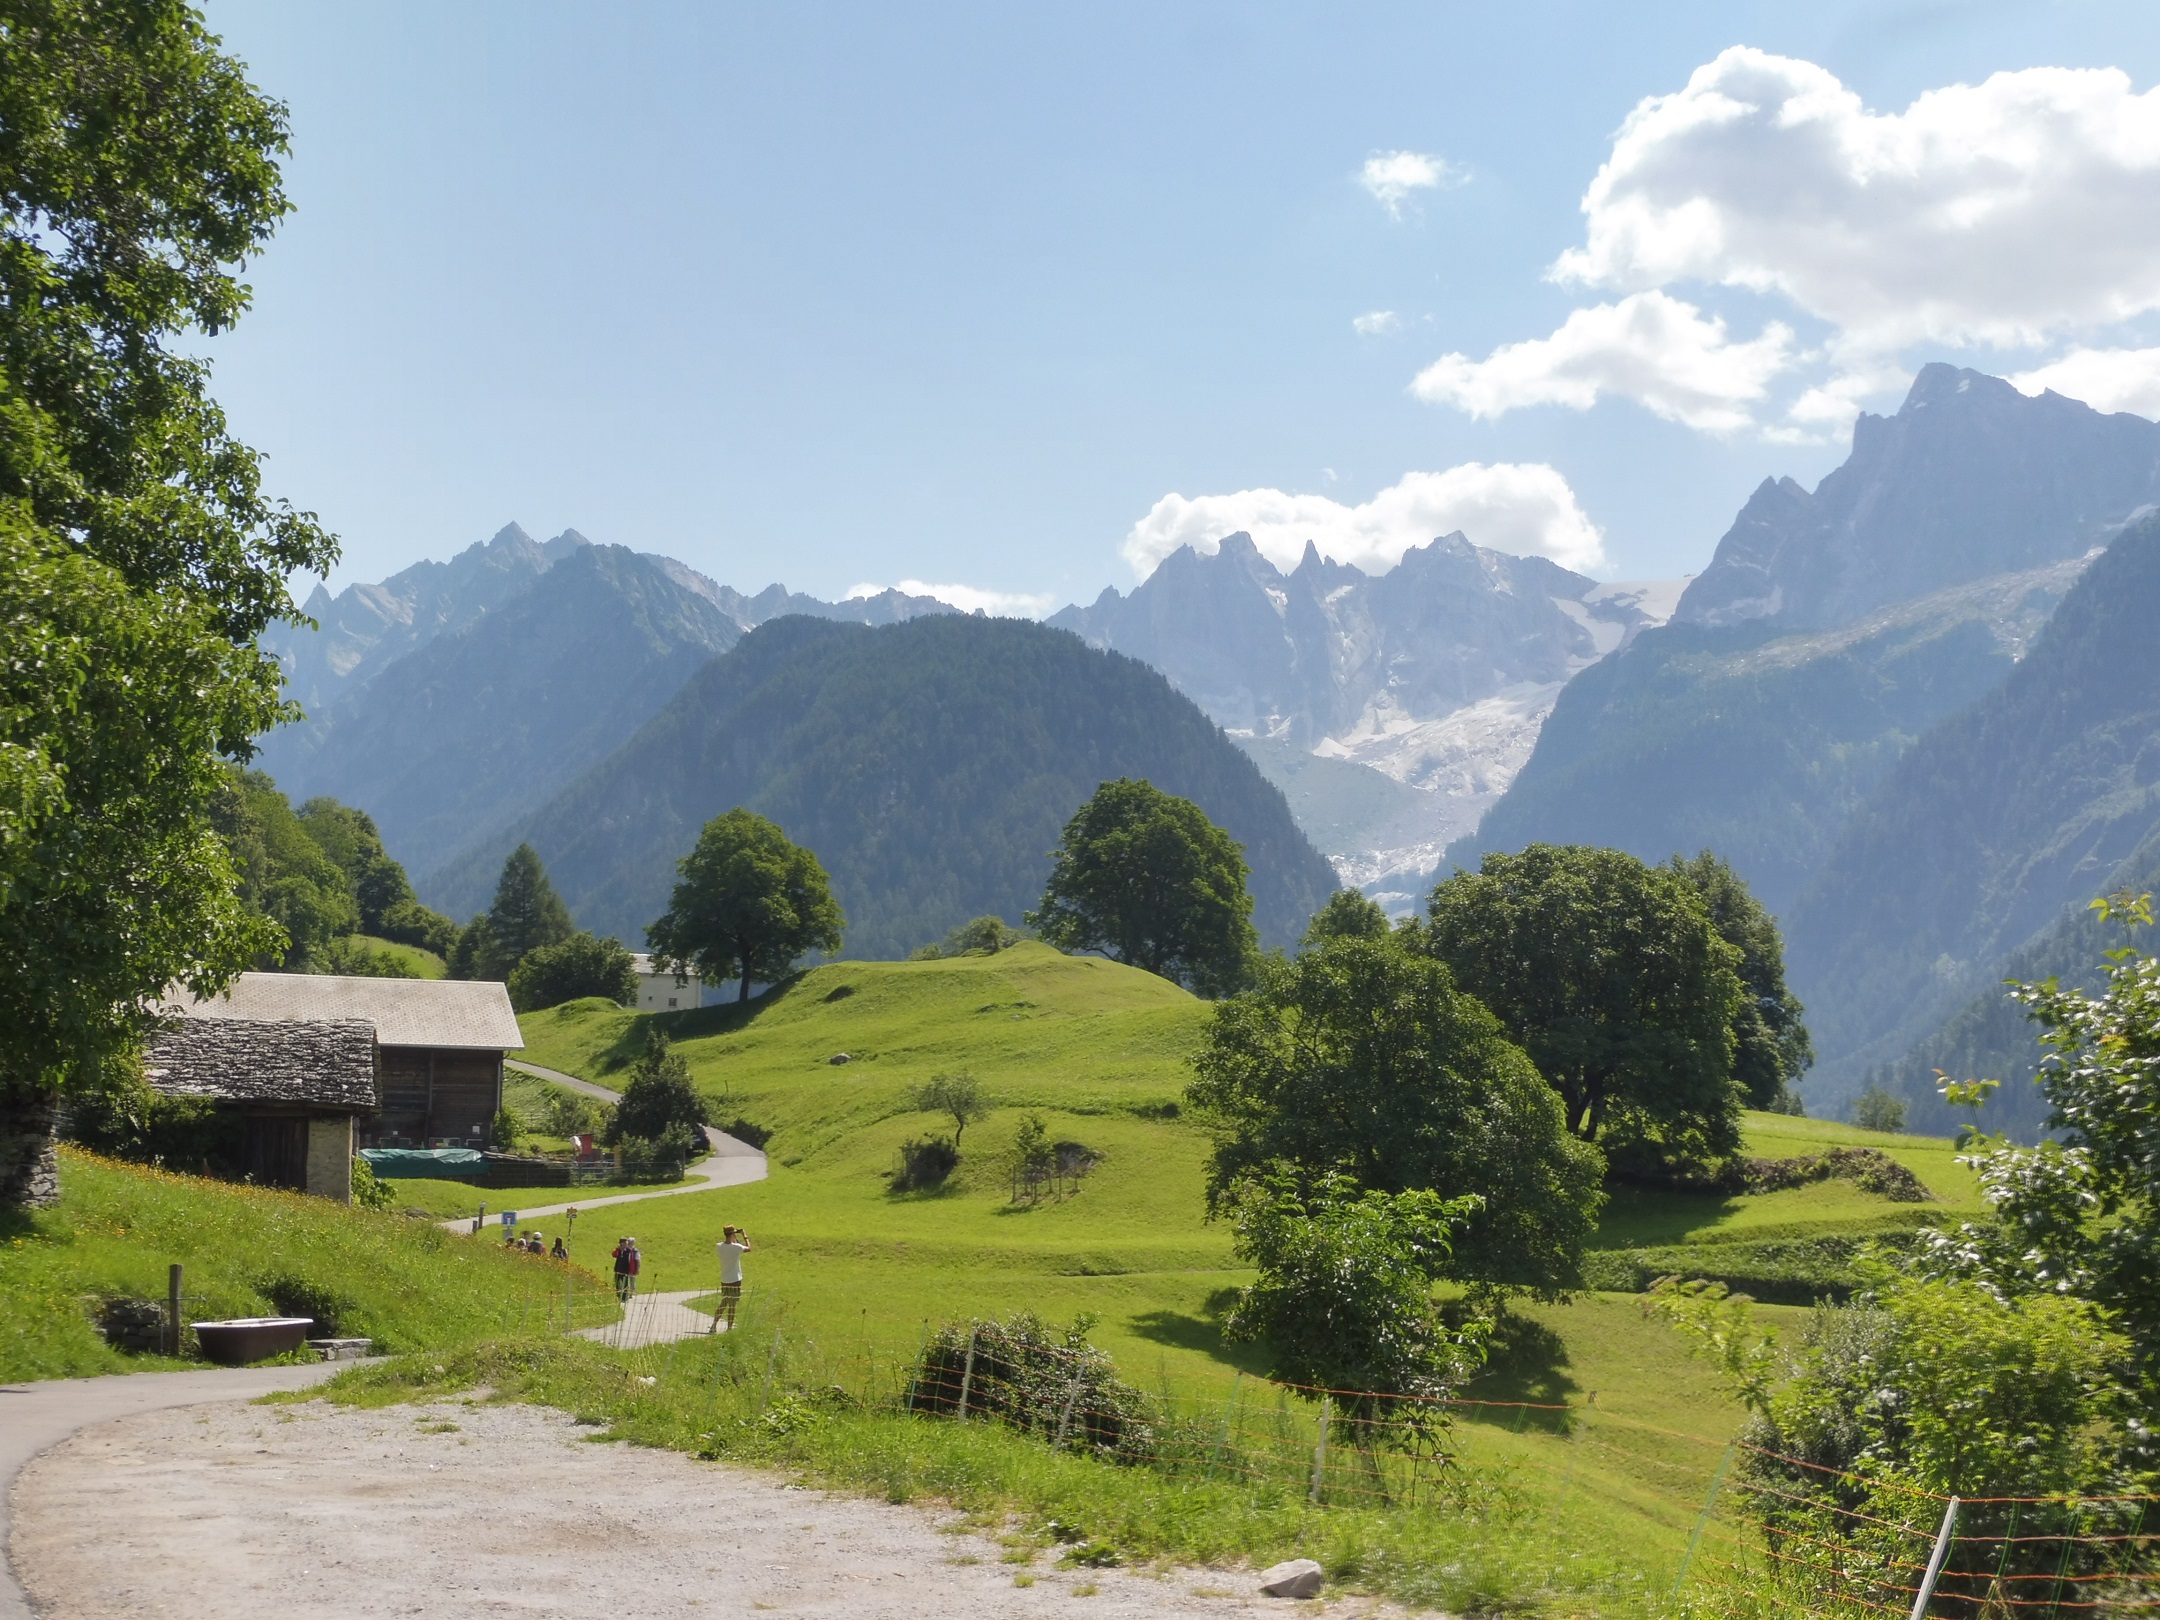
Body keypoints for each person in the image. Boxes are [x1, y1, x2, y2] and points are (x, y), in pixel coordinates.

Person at [711, 1225, 752, 1332]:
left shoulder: (719, 1246)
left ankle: (714, 1325)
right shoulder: (736, 1248)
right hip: (735, 1279)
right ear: (733, 1234)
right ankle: (729, 1328)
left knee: (724, 1302)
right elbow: (748, 1248)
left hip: (725, 1279)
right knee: (732, 1305)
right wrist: (745, 1236)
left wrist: (734, 1237)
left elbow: (734, 1245)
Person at [611, 1236, 633, 1303]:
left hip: (625, 1271)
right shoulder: (618, 1250)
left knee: (625, 1285)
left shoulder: (628, 1251)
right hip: (618, 1270)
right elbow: (613, 1255)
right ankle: (617, 1296)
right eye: (626, 1242)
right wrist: (617, 1249)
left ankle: (624, 1298)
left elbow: (631, 1260)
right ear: (622, 1243)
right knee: (617, 1285)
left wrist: (630, 1271)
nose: (627, 1244)